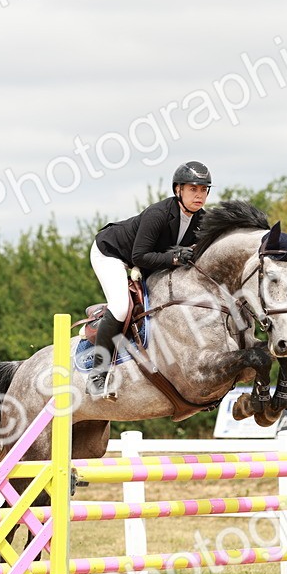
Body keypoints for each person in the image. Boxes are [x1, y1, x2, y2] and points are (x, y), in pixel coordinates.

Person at [85, 161, 212, 397]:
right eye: (193, 189)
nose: (199, 195)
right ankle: (97, 375)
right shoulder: (158, 214)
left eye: (203, 190)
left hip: (147, 260)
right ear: (178, 190)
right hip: (112, 253)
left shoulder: (202, 220)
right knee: (121, 307)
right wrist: (174, 258)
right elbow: (139, 256)